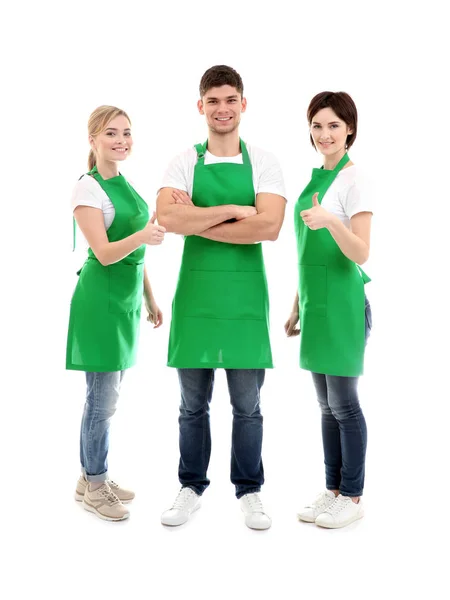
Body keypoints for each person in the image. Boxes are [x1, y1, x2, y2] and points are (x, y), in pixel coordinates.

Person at [156, 65, 286, 530]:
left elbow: (269, 227)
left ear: (243, 104)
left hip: (246, 301)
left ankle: (250, 490)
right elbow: (167, 220)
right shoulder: (182, 162)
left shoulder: (266, 162)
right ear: (201, 106)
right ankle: (190, 486)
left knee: (248, 407)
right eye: (213, 101)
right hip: (195, 298)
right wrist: (234, 211)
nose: (222, 108)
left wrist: (199, 219)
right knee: (192, 406)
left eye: (230, 99)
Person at [66, 105, 165, 521]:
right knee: (101, 400)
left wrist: (150, 297)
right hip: (100, 303)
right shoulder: (87, 189)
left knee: (109, 396)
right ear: (93, 140)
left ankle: (90, 476)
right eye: (111, 134)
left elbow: (137, 253)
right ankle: (94, 484)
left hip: (124, 302)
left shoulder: (124, 182)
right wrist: (143, 233)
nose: (121, 140)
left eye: (126, 133)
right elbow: (105, 253)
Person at [285, 91, 373, 529]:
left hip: (342, 303)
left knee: (344, 405)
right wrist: (297, 304)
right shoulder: (317, 175)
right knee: (325, 407)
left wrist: (332, 221)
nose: (324, 134)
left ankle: (353, 496)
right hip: (315, 302)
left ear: (349, 129)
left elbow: (361, 252)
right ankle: (333, 489)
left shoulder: (353, 180)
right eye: (317, 126)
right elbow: (307, 252)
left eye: (334, 126)